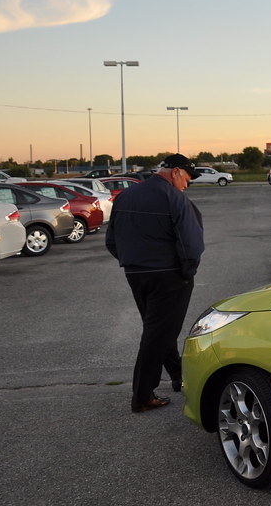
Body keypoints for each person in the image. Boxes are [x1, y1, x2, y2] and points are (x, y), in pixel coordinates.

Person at [106, 154, 204, 413]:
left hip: (136, 274)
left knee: (159, 328)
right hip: (170, 275)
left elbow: (112, 240)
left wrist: (134, 263)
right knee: (158, 333)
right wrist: (187, 272)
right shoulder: (175, 198)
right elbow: (191, 243)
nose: (187, 184)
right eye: (187, 178)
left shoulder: (126, 196)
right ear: (175, 172)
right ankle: (142, 395)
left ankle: (177, 375)